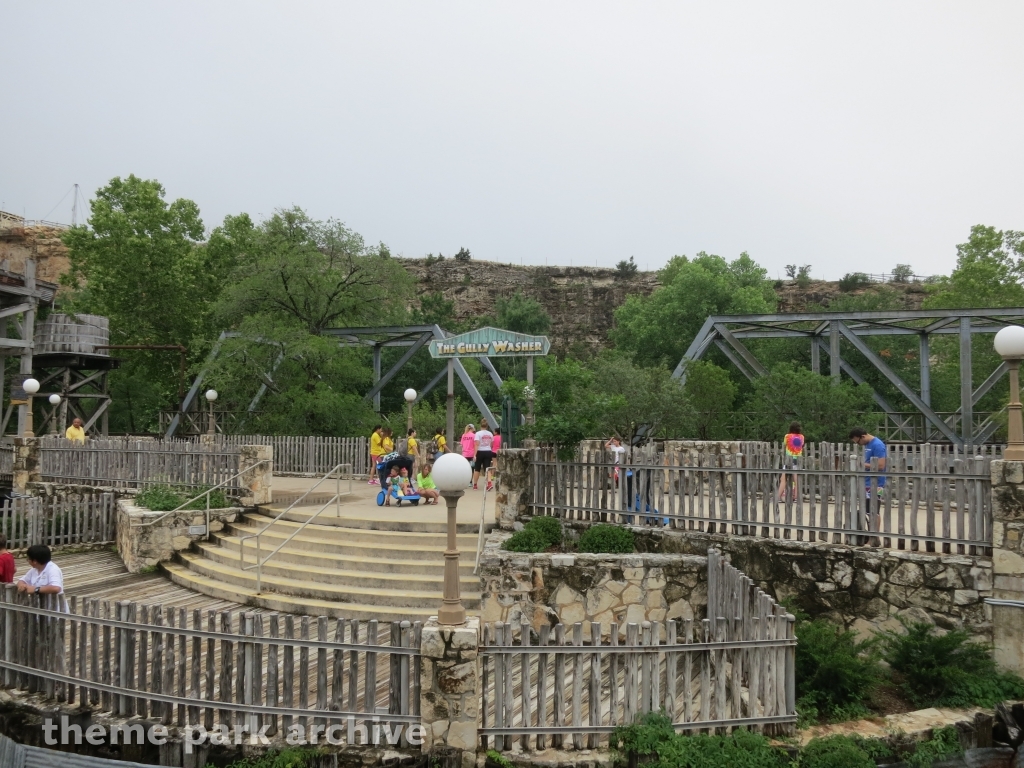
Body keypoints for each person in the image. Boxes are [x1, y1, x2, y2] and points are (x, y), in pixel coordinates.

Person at [850, 427, 887, 544]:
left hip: (876, 483)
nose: (858, 444)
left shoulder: (878, 445)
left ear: (863, 436)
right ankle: (872, 535)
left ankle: (874, 537)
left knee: (874, 510)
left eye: (858, 442)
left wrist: (862, 464)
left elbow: (881, 465)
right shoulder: (868, 445)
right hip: (867, 482)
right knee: (867, 510)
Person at [778, 422, 805, 502]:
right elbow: (802, 445)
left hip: (789, 460)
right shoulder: (802, 437)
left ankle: (778, 496)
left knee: (783, 479)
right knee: (796, 480)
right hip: (798, 460)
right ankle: (796, 497)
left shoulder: (787, 436)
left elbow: (785, 444)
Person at [472, 422, 495, 491]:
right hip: (488, 451)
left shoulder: (478, 433)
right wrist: (488, 448)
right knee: (487, 468)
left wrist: (475, 454)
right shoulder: (490, 433)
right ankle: (489, 483)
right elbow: (492, 443)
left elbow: (477, 444)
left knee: (477, 468)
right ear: (487, 426)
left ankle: (475, 484)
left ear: (480, 425)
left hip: (480, 451)